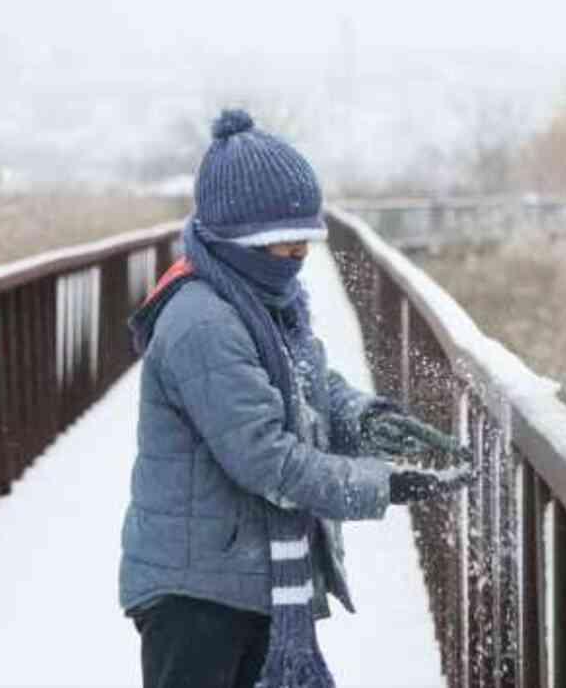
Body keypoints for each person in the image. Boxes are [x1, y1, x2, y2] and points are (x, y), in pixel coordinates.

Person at [120, 108, 471, 688]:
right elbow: (266, 459)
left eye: (303, 243)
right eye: (282, 247)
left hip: (241, 575)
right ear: (240, 241)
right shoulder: (203, 322)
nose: (297, 258)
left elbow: (307, 382)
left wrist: (365, 418)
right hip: (196, 595)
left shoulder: (261, 300)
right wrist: (382, 483)